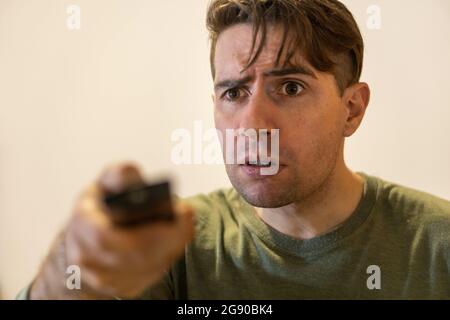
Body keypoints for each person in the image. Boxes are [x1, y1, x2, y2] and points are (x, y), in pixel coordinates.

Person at [19, 0, 450, 300]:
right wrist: (67, 272)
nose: (252, 124)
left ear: (351, 109)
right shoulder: (173, 248)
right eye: (234, 92)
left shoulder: (436, 244)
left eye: (290, 87)